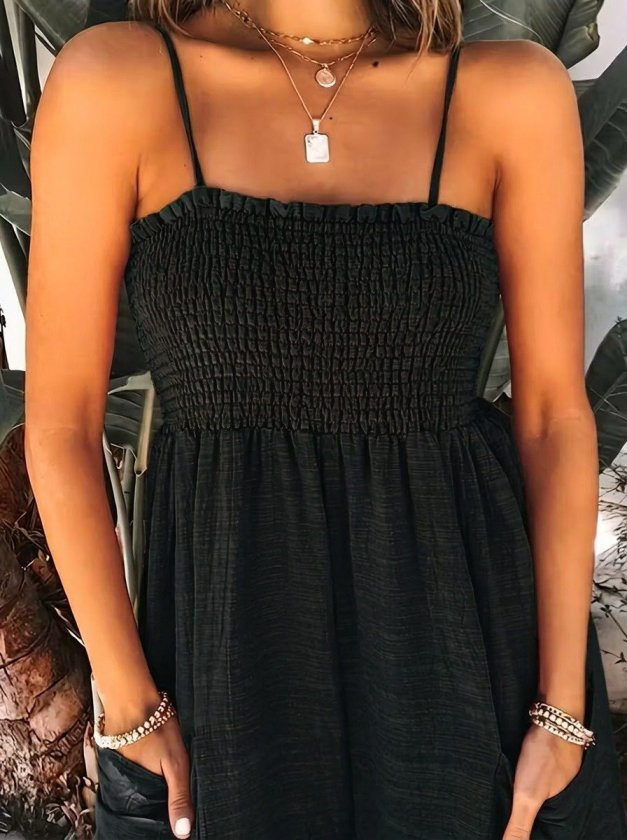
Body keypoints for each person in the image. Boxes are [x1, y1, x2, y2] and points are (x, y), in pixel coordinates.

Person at [23, 1, 627, 838]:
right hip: (229, 636)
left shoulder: (510, 94)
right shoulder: (118, 82)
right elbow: (60, 425)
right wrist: (128, 700)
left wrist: (560, 708)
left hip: (465, 631)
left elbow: (553, 420)